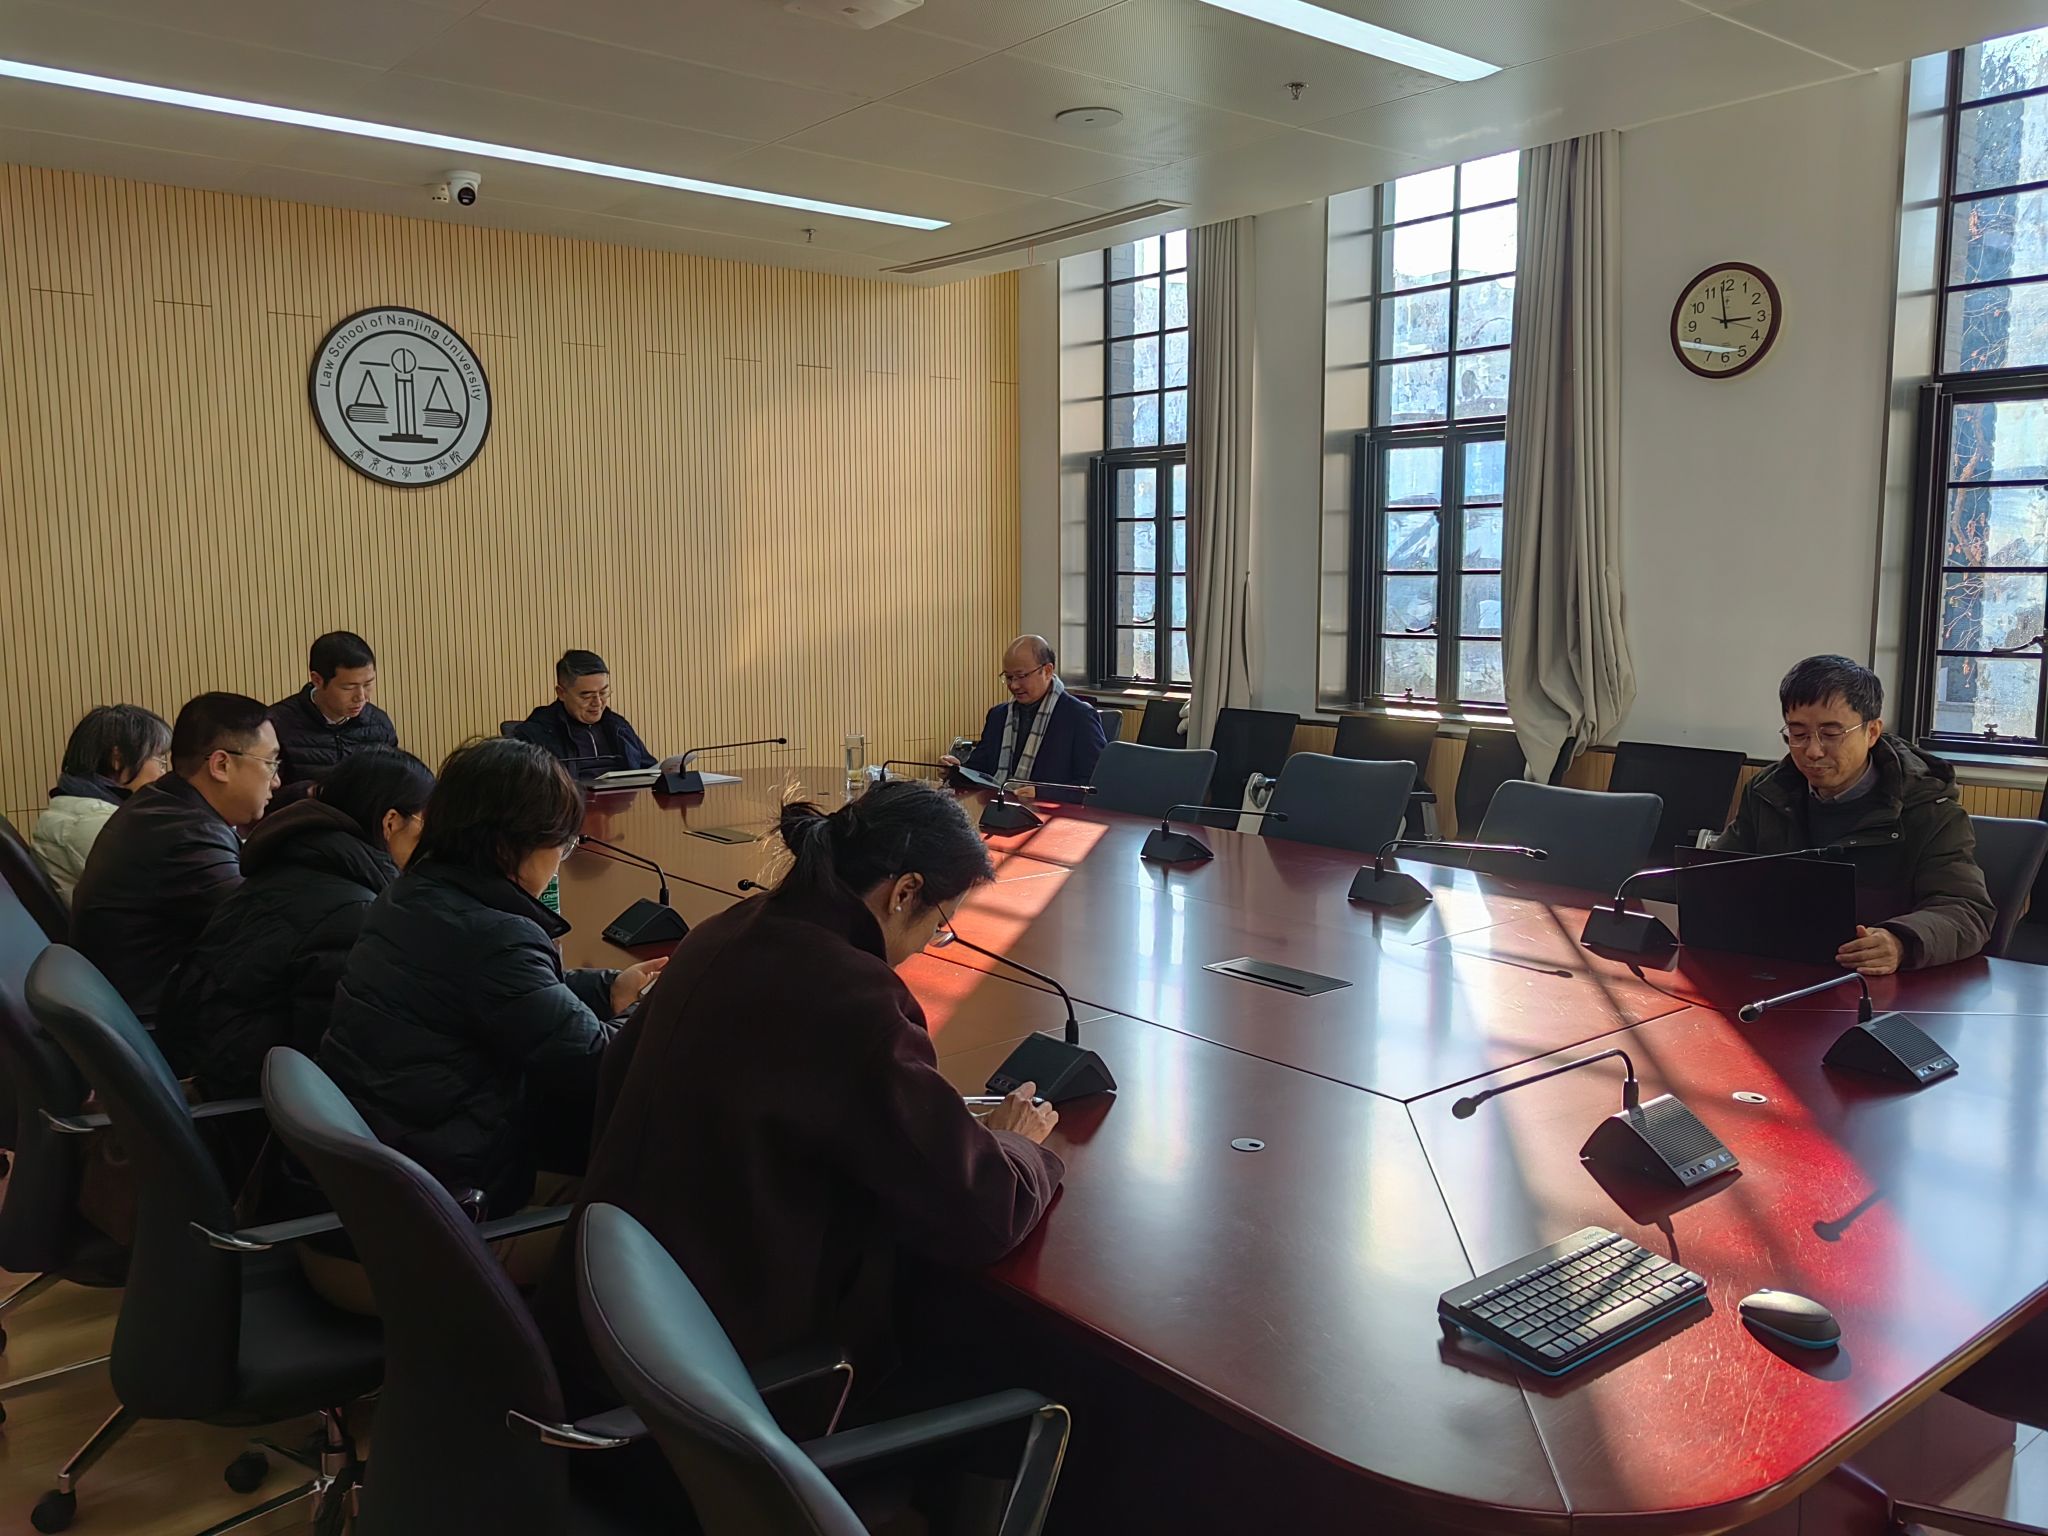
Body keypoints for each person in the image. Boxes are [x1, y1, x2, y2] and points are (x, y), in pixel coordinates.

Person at [539, 779, 1062, 1409]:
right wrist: (1017, 1146)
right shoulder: (854, 999)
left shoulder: (725, 929)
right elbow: (984, 1213)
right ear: (904, 893)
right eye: (940, 924)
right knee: (982, 1355)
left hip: (614, 1316)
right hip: (726, 1372)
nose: (931, 943)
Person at [320, 737, 664, 1223]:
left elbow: (508, 998)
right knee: (658, 1199)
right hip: (441, 1217)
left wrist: (609, 990)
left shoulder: (411, 893)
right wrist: (663, 1013)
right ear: (505, 847)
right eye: (561, 845)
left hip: (385, 1178)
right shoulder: (494, 937)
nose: (560, 860)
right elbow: (601, 1066)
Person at [156, 747, 435, 1103]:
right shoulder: (352, 910)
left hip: (203, 1066)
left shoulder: (292, 862)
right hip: (257, 1104)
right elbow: (338, 1056)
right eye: (426, 825)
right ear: (391, 822)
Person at [1713, 654, 1994, 975]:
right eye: (1798, 734)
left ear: (1872, 732)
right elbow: (1717, 878)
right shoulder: (1768, 793)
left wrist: (1900, 942)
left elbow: (1967, 910)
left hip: (1874, 984)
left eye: (1831, 734)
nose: (1813, 751)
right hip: (1778, 968)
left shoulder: (1930, 809)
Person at [70, 693, 278, 1025]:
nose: (276, 781)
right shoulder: (188, 835)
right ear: (221, 765)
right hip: (160, 1025)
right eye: (270, 763)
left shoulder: (162, 804)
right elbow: (264, 929)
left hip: (139, 1004)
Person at [31, 704, 172, 904]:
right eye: (159, 760)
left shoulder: (76, 807)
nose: (162, 773)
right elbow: (164, 894)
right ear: (118, 758)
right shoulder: (94, 823)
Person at [945, 635, 1106, 790]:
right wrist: (957, 771)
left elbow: (1094, 784)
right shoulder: (998, 716)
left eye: (1021, 676)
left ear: (1047, 671)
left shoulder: (1079, 717)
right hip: (999, 803)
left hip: (1049, 807)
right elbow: (979, 770)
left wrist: (1042, 792)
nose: (1014, 685)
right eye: (1009, 677)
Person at [267, 631, 400, 789]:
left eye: (368, 684)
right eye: (348, 687)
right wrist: (311, 792)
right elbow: (263, 796)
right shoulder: (276, 725)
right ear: (317, 680)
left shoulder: (379, 724)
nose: (361, 696)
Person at [512, 649, 656, 772]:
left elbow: (650, 771)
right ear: (561, 693)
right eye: (586, 696)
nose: (598, 703)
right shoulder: (535, 734)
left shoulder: (618, 726)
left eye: (603, 693)